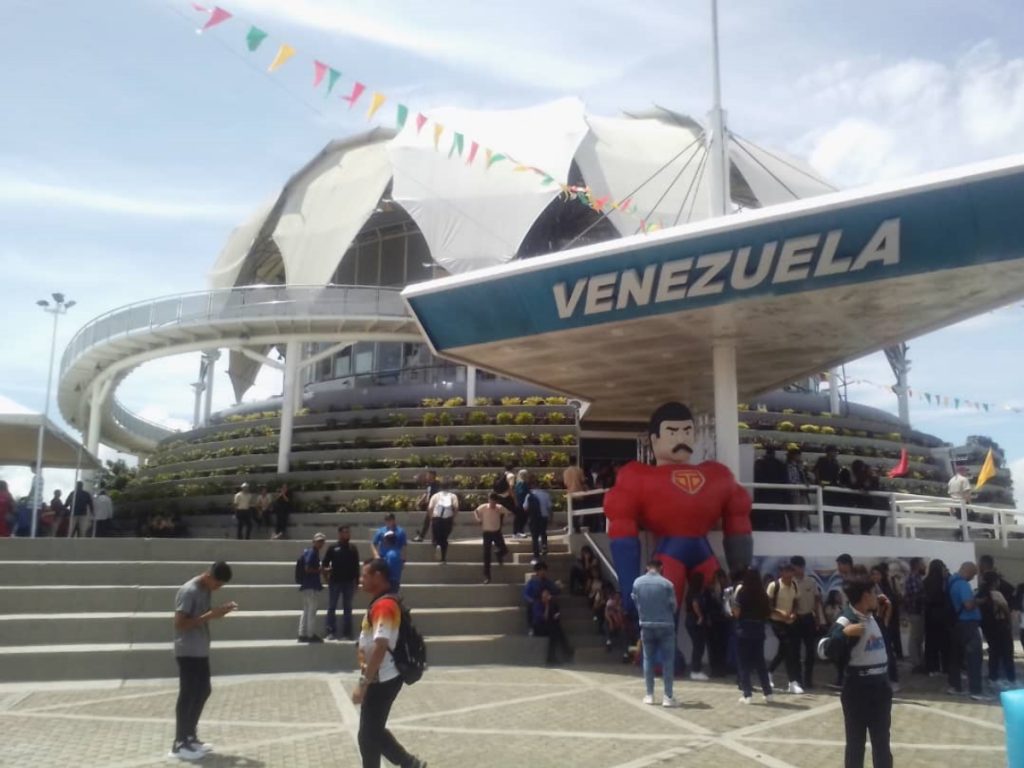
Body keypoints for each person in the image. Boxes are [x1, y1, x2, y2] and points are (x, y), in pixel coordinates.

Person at [604, 401, 753, 617]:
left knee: (720, 617)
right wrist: (628, 589)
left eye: (687, 431)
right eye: (672, 432)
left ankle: (724, 649)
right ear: (654, 440)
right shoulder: (638, 476)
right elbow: (622, 524)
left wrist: (741, 577)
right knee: (663, 615)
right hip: (670, 554)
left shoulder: (717, 474)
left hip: (698, 553)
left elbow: (738, 514)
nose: (681, 439)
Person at [352, 558, 427, 768]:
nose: (361, 580)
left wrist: (363, 683)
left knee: (367, 737)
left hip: (383, 678)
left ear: (378, 576)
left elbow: (381, 645)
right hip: (382, 676)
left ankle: (409, 763)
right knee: (373, 730)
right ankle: (410, 763)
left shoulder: (384, 605)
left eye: (364, 575)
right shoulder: (381, 602)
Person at [169, 561, 236, 761]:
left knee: (203, 690)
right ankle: (179, 743)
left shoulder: (206, 589)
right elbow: (180, 624)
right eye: (217, 584)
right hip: (187, 650)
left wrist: (219, 612)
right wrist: (210, 615)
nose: (217, 588)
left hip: (200, 649)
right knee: (188, 694)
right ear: (208, 575)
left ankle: (190, 735)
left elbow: (203, 617)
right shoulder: (189, 591)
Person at [827, 576, 893, 768]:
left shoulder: (871, 616)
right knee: (856, 743)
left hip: (880, 687)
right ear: (865, 596)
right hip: (858, 688)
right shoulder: (847, 619)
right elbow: (824, 648)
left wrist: (884, 610)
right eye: (874, 592)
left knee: (882, 741)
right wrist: (844, 633)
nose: (878, 596)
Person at [632, 559, 678, 707]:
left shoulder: (637, 583)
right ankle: (668, 696)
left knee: (648, 659)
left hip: (646, 625)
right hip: (666, 625)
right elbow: (674, 606)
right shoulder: (667, 584)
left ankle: (650, 695)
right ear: (661, 568)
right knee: (668, 661)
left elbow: (635, 602)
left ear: (647, 567)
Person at [733, 568, 774, 704]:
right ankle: (768, 693)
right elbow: (768, 613)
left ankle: (747, 694)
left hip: (744, 630)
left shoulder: (742, 592)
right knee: (760, 663)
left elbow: (737, 613)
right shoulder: (763, 594)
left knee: (743, 663)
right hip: (758, 630)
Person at [946, 561, 986, 700]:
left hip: (956, 624)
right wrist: (979, 601)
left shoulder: (951, 581)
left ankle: (955, 686)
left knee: (955, 657)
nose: (973, 577)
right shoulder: (963, 584)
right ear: (967, 571)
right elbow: (968, 605)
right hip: (968, 624)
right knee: (974, 657)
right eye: (973, 574)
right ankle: (976, 691)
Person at [767, 562, 803, 694]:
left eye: (790, 572)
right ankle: (792, 682)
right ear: (781, 572)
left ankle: (769, 672)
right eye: (786, 571)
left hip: (790, 621)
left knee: (785, 650)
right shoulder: (774, 586)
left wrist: (793, 613)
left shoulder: (794, 584)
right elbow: (768, 605)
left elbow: (796, 601)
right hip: (777, 621)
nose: (789, 574)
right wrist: (780, 613)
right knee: (788, 649)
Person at [791, 555, 824, 689]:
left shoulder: (811, 582)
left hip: (809, 618)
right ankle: (798, 679)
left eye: (794, 568)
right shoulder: (790, 582)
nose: (793, 570)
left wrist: (818, 619)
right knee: (796, 651)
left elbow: (817, 601)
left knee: (810, 651)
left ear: (801, 568)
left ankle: (808, 679)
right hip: (795, 619)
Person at [979, 570, 1016, 689]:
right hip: (1000, 626)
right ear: (995, 581)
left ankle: (993, 677)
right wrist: (1009, 624)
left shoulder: (980, 594)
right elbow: (1006, 609)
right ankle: (1010, 679)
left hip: (988, 627)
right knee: (1007, 653)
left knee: (994, 653)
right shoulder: (996, 594)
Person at [323, 526, 360, 641]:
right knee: (332, 606)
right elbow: (325, 563)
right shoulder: (333, 548)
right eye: (345, 532)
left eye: (348, 532)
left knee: (347, 607)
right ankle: (330, 632)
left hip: (349, 582)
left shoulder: (353, 548)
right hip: (335, 582)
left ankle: (347, 633)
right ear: (339, 534)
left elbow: (356, 566)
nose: (347, 534)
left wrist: (357, 582)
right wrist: (326, 577)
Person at [922, 559, 951, 676]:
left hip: (929, 615)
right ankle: (945, 667)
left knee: (931, 642)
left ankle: (931, 668)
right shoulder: (943, 581)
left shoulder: (926, 581)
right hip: (942, 614)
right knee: (944, 642)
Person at [532, 586, 574, 666]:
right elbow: (544, 618)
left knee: (558, 629)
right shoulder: (537, 604)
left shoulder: (551, 602)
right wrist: (547, 605)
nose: (547, 596)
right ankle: (551, 656)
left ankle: (566, 651)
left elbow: (555, 613)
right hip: (538, 627)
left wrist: (556, 614)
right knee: (553, 632)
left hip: (548, 625)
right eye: (545, 594)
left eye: (548, 594)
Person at [297, 533, 327, 643]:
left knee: (305, 610)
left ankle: (302, 634)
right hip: (311, 586)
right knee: (311, 611)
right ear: (313, 541)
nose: (320, 543)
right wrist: (321, 571)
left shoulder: (310, 552)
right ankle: (310, 634)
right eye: (318, 541)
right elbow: (307, 568)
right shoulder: (313, 553)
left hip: (306, 586)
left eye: (321, 541)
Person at [473, 493, 508, 584]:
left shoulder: (499, 508)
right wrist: (478, 519)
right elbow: (476, 511)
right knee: (486, 555)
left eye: (494, 502)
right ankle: (487, 576)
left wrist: (502, 521)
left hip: (496, 532)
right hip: (487, 532)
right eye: (491, 501)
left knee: (504, 549)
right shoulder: (484, 507)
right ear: (489, 500)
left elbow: (507, 513)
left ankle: (499, 554)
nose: (492, 504)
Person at [752, 444, 788, 531]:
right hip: (777, 493)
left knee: (763, 513)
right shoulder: (780, 464)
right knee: (776, 513)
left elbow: (757, 477)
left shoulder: (759, 463)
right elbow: (785, 479)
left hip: (763, 492)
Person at [684, 571, 711, 681]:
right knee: (698, 646)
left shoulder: (690, 592)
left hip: (690, 620)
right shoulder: (696, 593)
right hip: (695, 621)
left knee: (697, 645)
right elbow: (695, 604)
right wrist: (700, 616)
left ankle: (695, 669)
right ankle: (695, 670)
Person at [815, 446, 848, 534]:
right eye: (834, 451)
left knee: (831, 507)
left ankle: (828, 527)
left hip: (832, 486)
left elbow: (836, 475)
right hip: (824, 485)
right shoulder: (822, 460)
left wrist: (839, 484)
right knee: (826, 507)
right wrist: (819, 482)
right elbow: (817, 471)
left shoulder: (835, 462)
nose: (836, 453)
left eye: (836, 452)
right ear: (829, 452)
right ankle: (826, 527)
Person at [371, 515, 408, 591]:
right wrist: (376, 555)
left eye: (390, 520)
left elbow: (404, 546)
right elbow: (374, 543)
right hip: (383, 558)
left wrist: (403, 560)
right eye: (387, 520)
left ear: (394, 520)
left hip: (395, 559)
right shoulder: (381, 531)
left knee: (393, 582)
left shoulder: (400, 532)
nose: (388, 522)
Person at [523, 561, 560, 634]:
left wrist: (558, 587)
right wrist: (531, 600)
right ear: (537, 572)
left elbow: (555, 590)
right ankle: (531, 627)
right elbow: (525, 594)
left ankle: (555, 622)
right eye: (540, 570)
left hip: (546, 601)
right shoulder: (532, 582)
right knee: (530, 606)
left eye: (544, 570)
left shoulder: (548, 582)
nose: (542, 572)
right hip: (535, 601)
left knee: (554, 604)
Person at [903, 557, 926, 673]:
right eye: (922, 564)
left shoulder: (917, 578)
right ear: (917, 565)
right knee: (915, 638)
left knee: (918, 638)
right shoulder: (913, 578)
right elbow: (916, 595)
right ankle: (916, 662)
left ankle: (920, 661)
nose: (925, 566)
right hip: (915, 612)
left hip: (918, 612)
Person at [427, 482, 458, 565]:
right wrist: (453, 518)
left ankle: (437, 544)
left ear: (440, 488)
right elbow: (456, 507)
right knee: (444, 539)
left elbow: (430, 508)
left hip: (436, 519)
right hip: (447, 520)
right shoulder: (452, 496)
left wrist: (431, 518)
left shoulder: (435, 496)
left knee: (436, 538)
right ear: (449, 487)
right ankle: (443, 558)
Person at [785, 448, 811, 532]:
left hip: (802, 491)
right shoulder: (789, 465)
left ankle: (803, 526)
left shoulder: (800, 466)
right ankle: (796, 526)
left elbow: (804, 476)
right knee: (796, 510)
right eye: (797, 455)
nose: (799, 457)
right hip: (795, 491)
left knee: (806, 509)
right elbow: (791, 478)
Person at [527, 477, 552, 561]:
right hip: (543, 517)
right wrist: (551, 517)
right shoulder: (545, 494)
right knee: (543, 532)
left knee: (534, 537)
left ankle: (536, 555)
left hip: (533, 518)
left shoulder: (529, 495)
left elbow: (525, 507)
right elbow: (549, 507)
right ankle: (544, 545)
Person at [412, 470, 439, 543]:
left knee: (432, 522)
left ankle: (425, 537)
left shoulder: (436, 485)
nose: (427, 477)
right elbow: (427, 494)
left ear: (433, 476)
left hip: (435, 506)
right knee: (428, 522)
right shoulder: (429, 485)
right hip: (430, 506)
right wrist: (420, 501)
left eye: (428, 475)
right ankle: (425, 537)